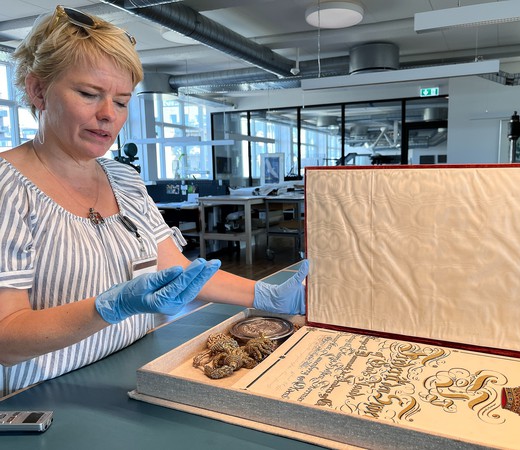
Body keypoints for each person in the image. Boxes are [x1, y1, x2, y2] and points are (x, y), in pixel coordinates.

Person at [0, 5, 308, 397]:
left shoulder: (124, 180)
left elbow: (177, 269)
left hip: (132, 376)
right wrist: (107, 307)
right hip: (43, 398)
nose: (108, 115)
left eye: (122, 101)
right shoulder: (8, 190)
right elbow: (5, 339)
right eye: (89, 94)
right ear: (38, 90)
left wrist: (265, 295)